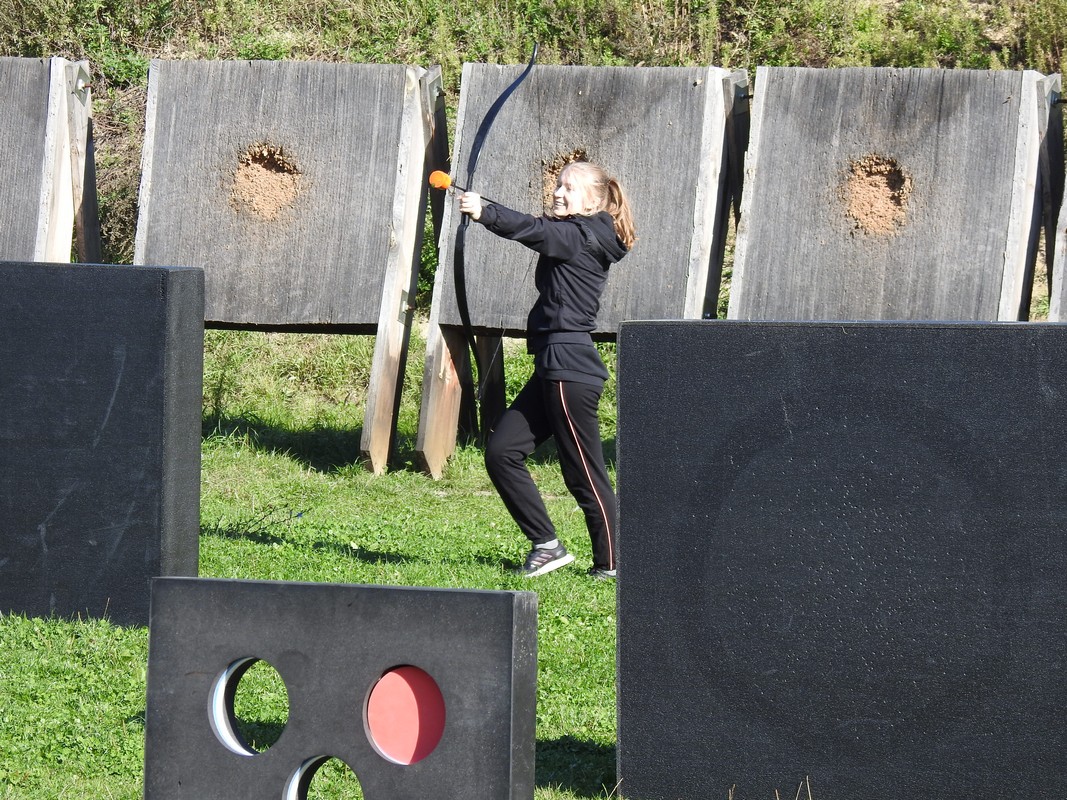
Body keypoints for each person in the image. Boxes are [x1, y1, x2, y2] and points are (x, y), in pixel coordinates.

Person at [457, 160, 636, 579]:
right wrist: (488, 210)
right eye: (558, 184)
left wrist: (484, 211)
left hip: (569, 368)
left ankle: (613, 564)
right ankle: (547, 546)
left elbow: (531, 229)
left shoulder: (578, 236)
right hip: (554, 366)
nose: (557, 192)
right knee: (502, 452)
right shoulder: (578, 233)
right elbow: (538, 227)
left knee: (583, 472)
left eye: (569, 188)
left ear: (592, 202)